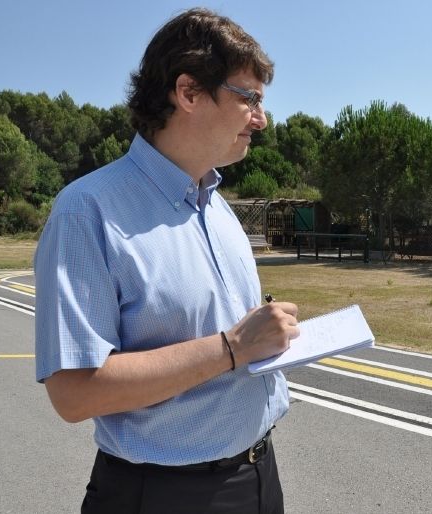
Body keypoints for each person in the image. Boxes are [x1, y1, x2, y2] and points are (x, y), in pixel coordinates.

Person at [34, 8, 299, 514]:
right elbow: (74, 394)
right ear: (190, 93)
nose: (261, 119)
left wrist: (264, 342)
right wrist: (234, 346)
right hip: (163, 492)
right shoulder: (85, 211)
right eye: (250, 99)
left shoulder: (217, 205)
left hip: (259, 474)